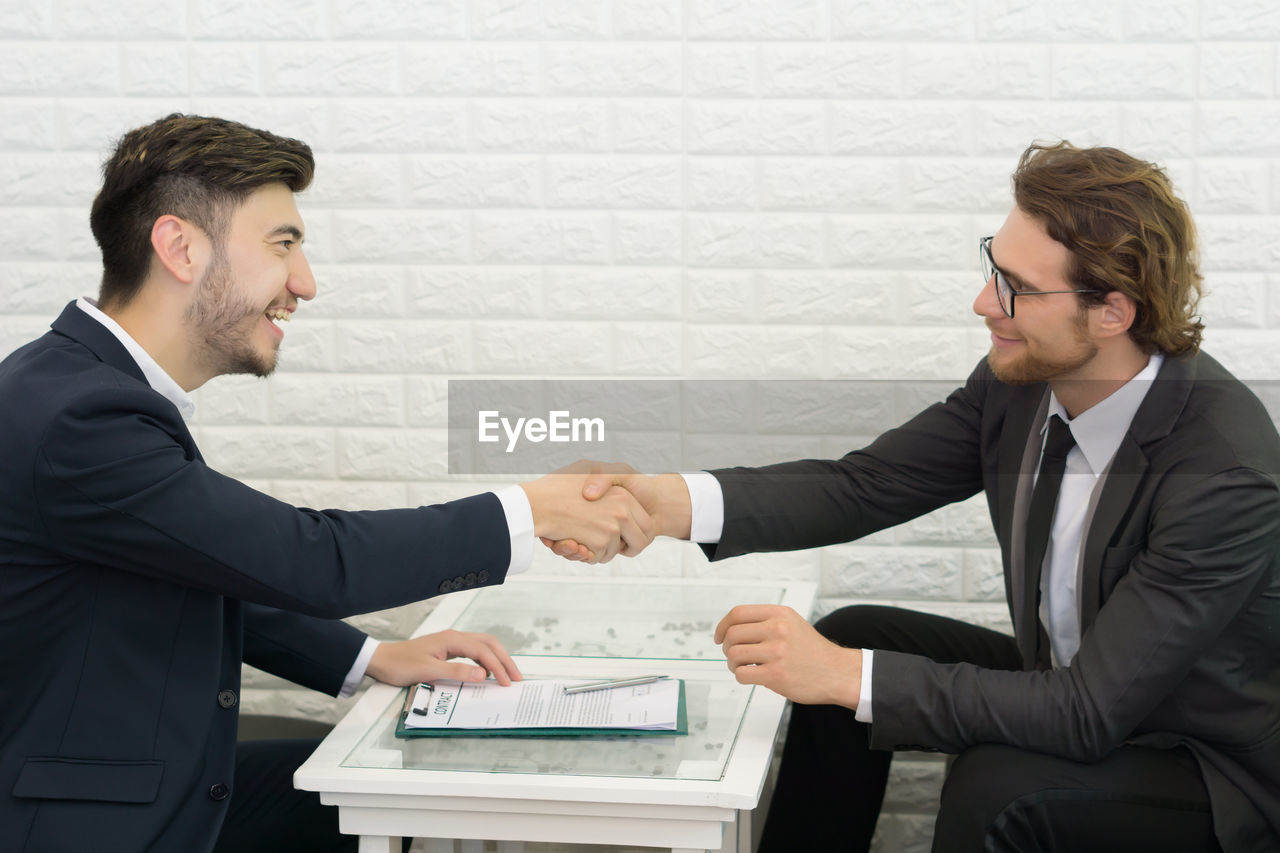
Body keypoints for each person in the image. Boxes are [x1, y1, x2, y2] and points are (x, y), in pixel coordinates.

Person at [552, 142, 1280, 851]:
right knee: (853, 635)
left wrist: (844, 676)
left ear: (1113, 313)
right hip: (1071, 686)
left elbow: (1089, 711)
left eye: (1017, 289)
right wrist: (654, 501)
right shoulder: (1020, 384)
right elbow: (862, 484)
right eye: (993, 266)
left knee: (994, 786)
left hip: (1199, 760)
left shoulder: (1223, 473)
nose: (982, 302)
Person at [0, 113, 653, 852]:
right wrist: (527, 511)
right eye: (284, 244)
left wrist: (368, 659)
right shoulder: (80, 419)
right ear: (179, 247)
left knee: (404, 797)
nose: (304, 283)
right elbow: (304, 558)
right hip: (86, 825)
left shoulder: (85, 389)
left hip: (142, 784)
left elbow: (198, 565)